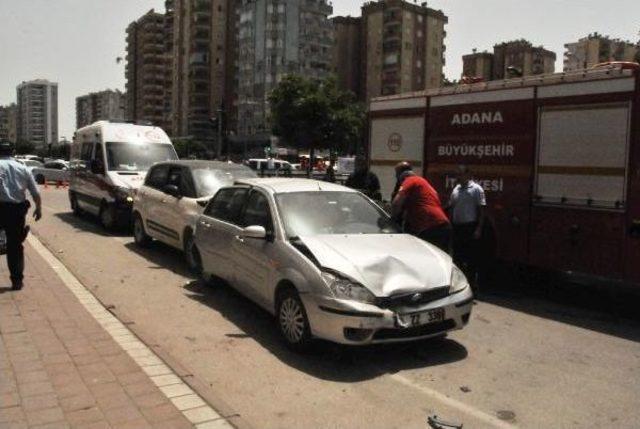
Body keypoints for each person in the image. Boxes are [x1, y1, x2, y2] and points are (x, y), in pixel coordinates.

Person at [0, 141, 42, 290]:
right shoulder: (23, 168)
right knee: (15, 246)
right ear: (13, 152)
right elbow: (35, 192)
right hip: (15, 211)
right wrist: (38, 208)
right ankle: (17, 281)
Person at [391, 162, 451, 252]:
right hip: (443, 226)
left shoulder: (409, 181)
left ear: (400, 175)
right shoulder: (423, 182)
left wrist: (392, 220)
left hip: (430, 228)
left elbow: (396, 203)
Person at [449, 165, 487, 287]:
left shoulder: (477, 189)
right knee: (457, 259)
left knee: (471, 260)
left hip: (470, 227)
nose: (458, 177)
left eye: (460, 174)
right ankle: (459, 286)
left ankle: (472, 288)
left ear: (467, 175)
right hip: (457, 227)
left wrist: (479, 229)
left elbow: (482, 210)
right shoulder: (456, 189)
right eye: (457, 175)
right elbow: (452, 207)